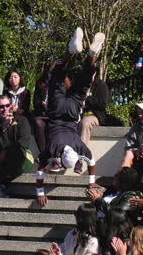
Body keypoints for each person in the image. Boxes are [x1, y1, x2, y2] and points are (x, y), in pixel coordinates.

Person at [36, 28, 105, 206]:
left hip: (73, 112)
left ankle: (91, 56)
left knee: (84, 82)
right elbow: (40, 172)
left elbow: (92, 162)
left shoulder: (80, 147)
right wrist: (40, 192)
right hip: (57, 110)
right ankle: (70, 51)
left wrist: (91, 181)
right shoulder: (52, 149)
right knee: (58, 76)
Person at [79, 70, 109, 145]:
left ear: (95, 73)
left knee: (85, 123)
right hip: (78, 114)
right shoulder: (80, 84)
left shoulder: (101, 85)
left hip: (94, 115)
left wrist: (87, 100)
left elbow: (103, 104)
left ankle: (82, 153)